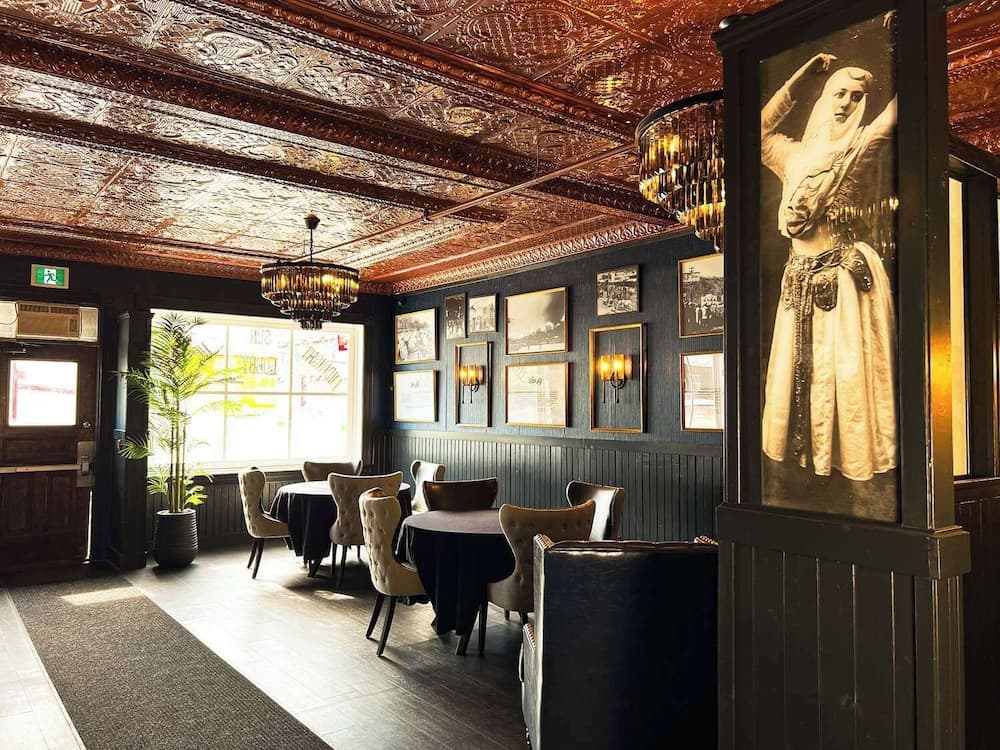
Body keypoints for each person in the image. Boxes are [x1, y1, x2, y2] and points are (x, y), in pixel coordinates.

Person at [760, 52, 897, 483]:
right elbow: (756, 132)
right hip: (799, 275)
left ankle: (846, 458)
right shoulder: (792, 155)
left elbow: (895, 117)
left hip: (841, 277)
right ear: (825, 96)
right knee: (797, 370)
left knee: (846, 371)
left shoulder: (860, 146)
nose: (846, 103)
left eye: (856, 97)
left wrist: (907, 49)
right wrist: (800, 78)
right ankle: (804, 460)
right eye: (839, 93)